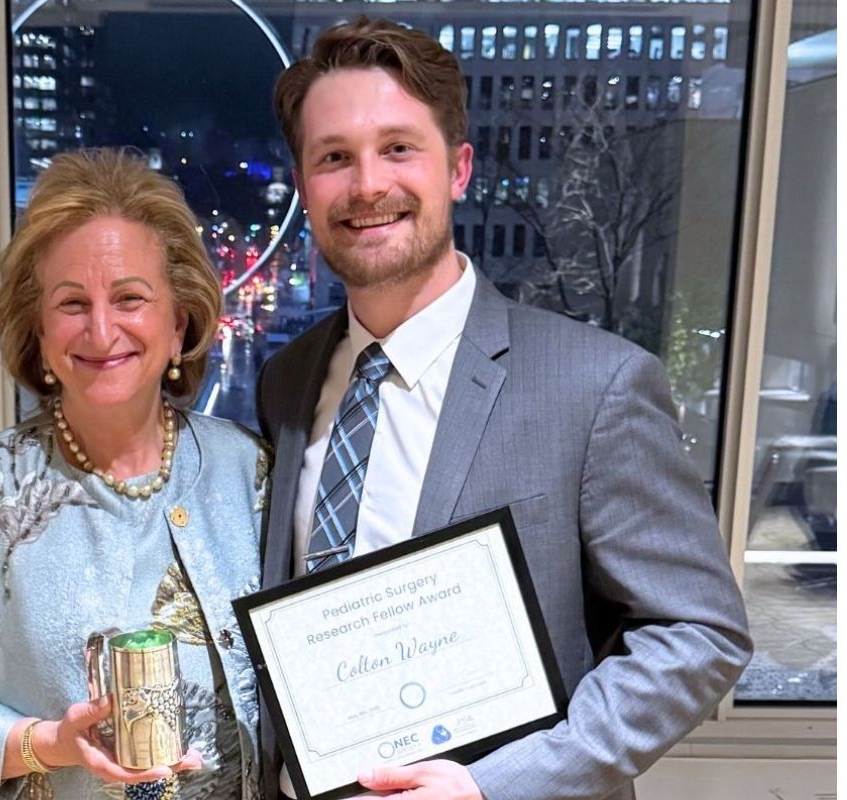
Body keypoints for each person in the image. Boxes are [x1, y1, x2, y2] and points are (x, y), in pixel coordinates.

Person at [256, 17, 752, 800]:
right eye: (334, 158)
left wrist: (496, 788)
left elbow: (699, 635)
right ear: (304, 185)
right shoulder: (284, 381)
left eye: (398, 148)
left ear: (457, 169)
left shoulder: (597, 386)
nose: (366, 186)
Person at [0, 149, 267, 800]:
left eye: (131, 298)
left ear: (178, 324)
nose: (102, 329)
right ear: (41, 333)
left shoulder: (252, 474)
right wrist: (42, 743)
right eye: (72, 303)